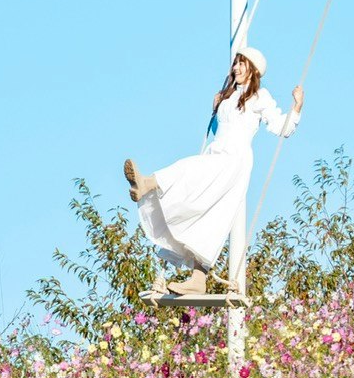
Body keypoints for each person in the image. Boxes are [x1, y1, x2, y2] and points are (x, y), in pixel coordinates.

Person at [125, 47, 305, 297]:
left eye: (241, 64)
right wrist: (217, 109)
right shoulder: (228, 97)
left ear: (252, 69)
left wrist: (296, 107)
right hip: (216, 152)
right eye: (235, 64)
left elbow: (280, 128)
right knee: (204, 211)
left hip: (234, 159)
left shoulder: (259, 97)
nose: (236, 68)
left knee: (186, 169)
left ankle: (148, 183)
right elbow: (217, 130)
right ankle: (199, 278)